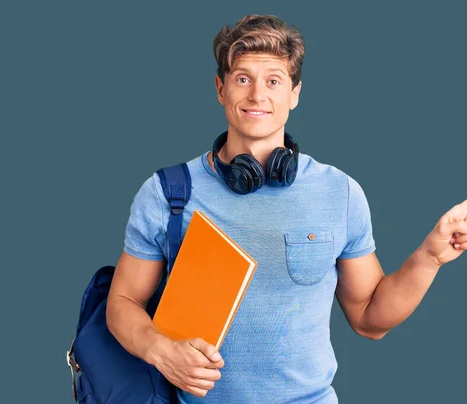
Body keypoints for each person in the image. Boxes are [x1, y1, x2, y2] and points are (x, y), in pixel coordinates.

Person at [105, 14, 467, 403]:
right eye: (243, 78)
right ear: (220, 88)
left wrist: (429, 257)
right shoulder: (168, 193)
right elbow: (123, 303)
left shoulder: (339, 192)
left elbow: (368, 318)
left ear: (294, 93)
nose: (257, 95)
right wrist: (160, 351)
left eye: (274, 81)